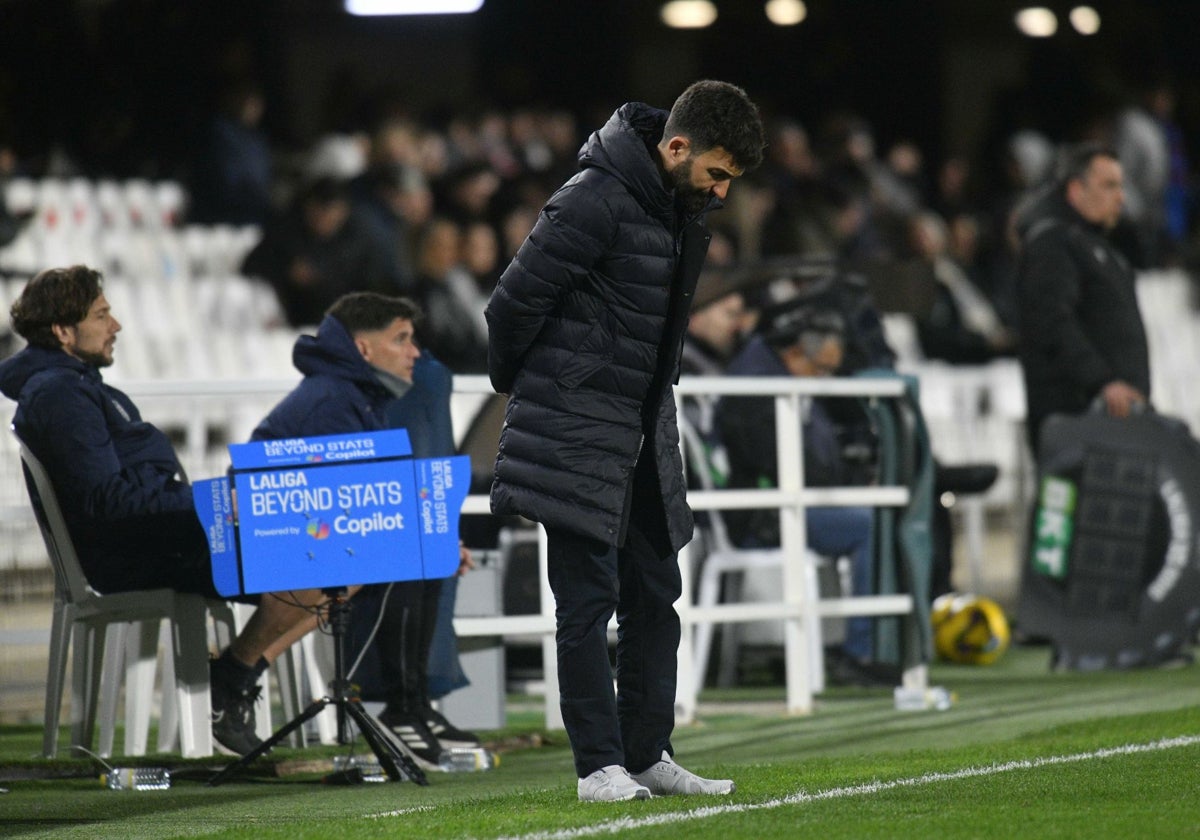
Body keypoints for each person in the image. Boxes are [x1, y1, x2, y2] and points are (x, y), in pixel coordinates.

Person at [485, 79, 765, 802]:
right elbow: (511, 304)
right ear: (677, 147)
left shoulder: (673, 205)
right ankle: (596, 768)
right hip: (578, 431)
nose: (722, 192)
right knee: (586, 603)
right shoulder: (594, 196)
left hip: (642, 431)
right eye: (718, 174)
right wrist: (546, 388)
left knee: (655, 594)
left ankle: (646, 755)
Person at [0, 265, 328, 756]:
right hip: (137, 555)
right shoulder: (61, 394)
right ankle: (234, 678)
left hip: (157, 538)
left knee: (339, 556)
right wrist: (213, 505)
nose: (117, 326)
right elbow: (109, 504)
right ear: (63, 332)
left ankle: (236, 674)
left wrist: (215, 506)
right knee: (323, 555)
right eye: (102, 315)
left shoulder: (75, 386)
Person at [250, 292, 477, 770]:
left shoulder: (352, 394)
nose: (415, 352)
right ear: (365, 349)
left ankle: (410, 703)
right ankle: (398, 703)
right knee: (410, 551)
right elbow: (334, 500)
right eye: (402, 340)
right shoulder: (334, 399)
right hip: (277, 540)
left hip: (305, 533)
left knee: (422, 548)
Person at [715, 301, 894, 687]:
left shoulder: (776, 373)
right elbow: (782, 465)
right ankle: (861, 652)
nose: (823, 380)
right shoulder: (758, 386)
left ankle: (872, 645)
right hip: (761, 516)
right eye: (822, 369)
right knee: (871, 525)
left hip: (787, 505)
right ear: (796, 352)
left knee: (879, 514)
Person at [1015, 143, 1150, 455]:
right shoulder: (1052, 245)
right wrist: (1103, 382)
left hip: (1111, 421)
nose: (1121, 197)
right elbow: (1051, 321)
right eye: (1109, 186)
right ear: (1076, 190)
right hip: (1076, 420)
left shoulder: (1094, 246)